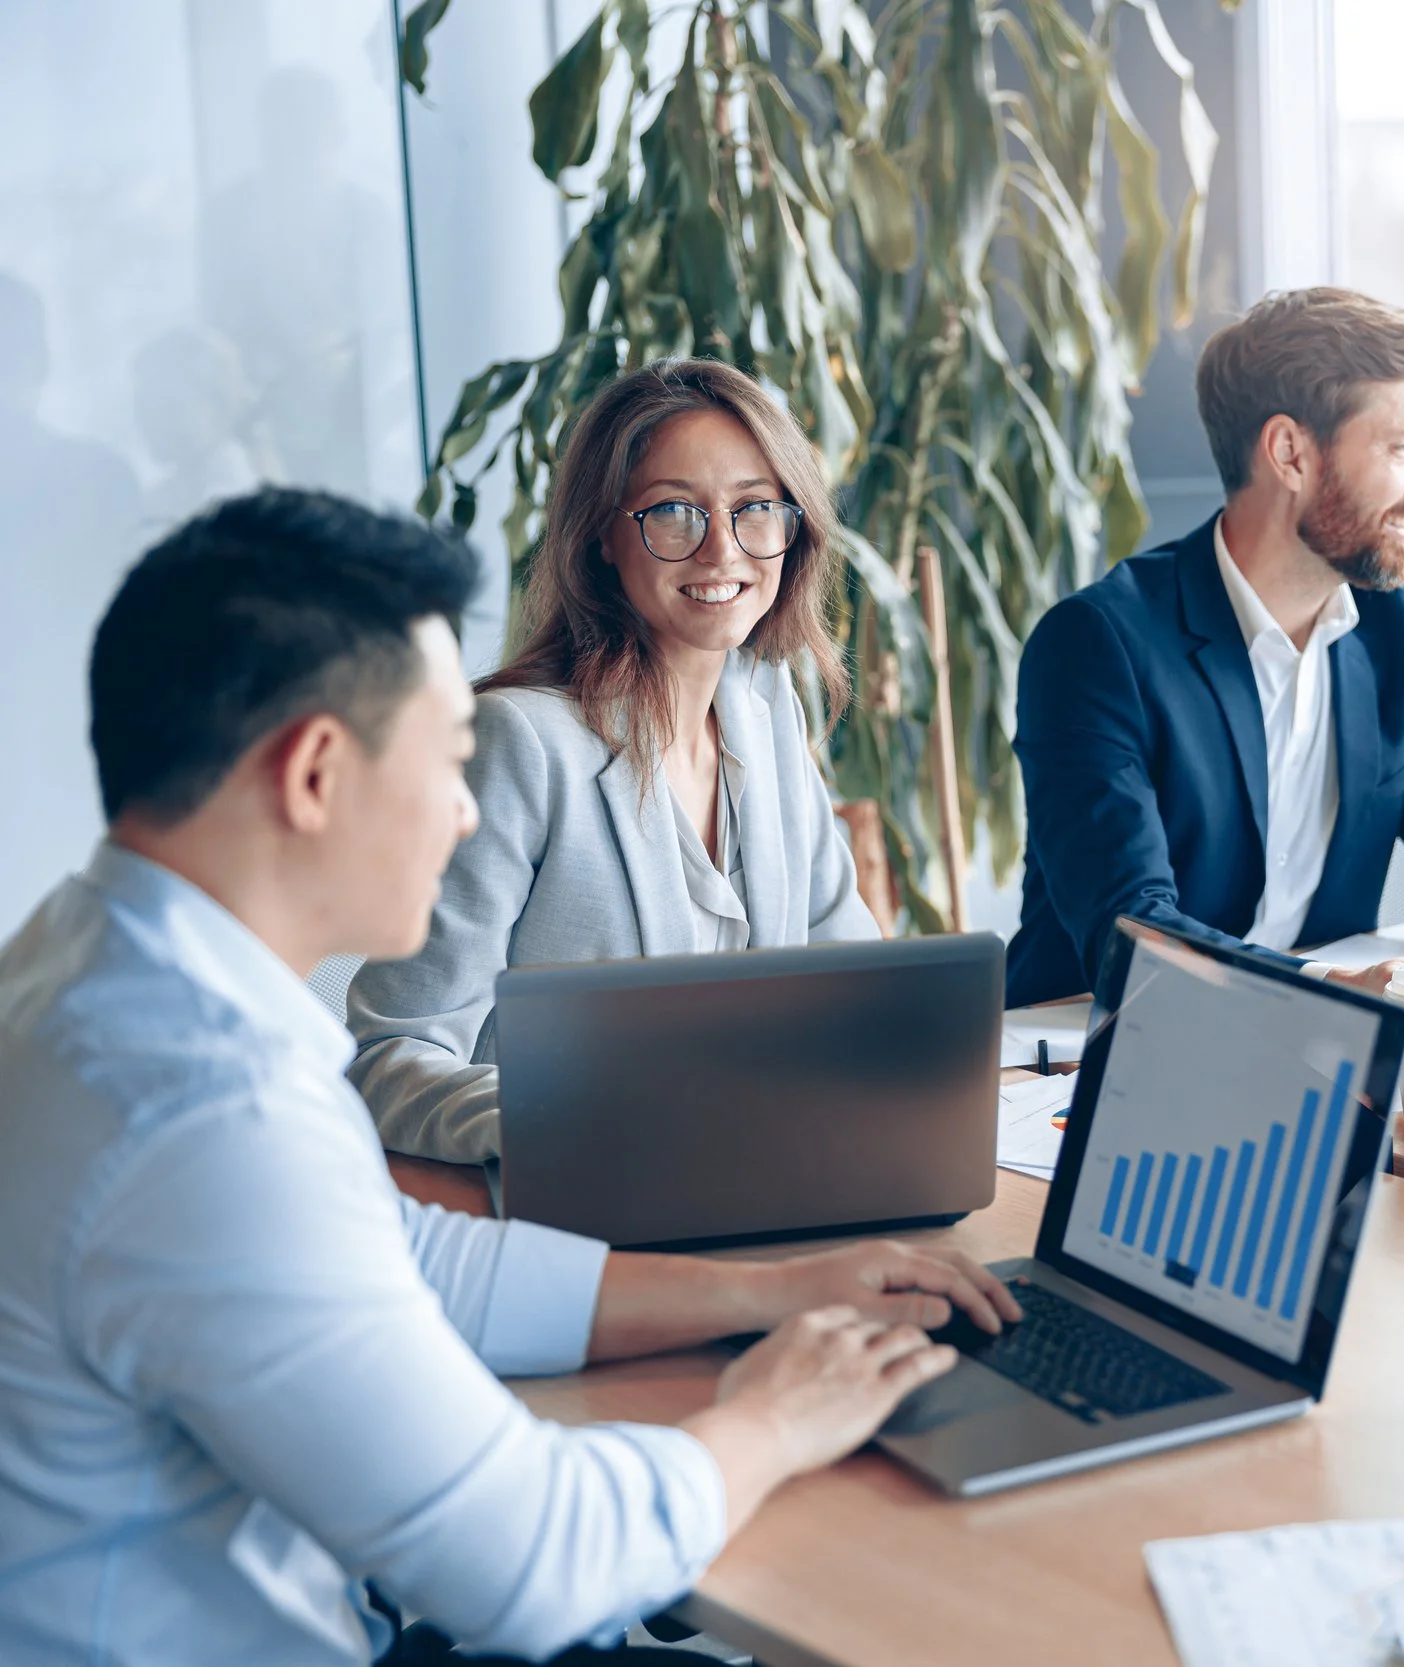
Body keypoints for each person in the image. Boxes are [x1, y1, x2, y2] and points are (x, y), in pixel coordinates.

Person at [0, 488, 1018, 1665]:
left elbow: (416, 1257)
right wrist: (775, 1415)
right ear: (316, 774)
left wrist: (771, 1289)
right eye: (447, 757)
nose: (467, 808)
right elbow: (536, 1564)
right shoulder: (203, 1111)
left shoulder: (86, 959)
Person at [348, 359, 880, 1163]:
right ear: (602, 531)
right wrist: (582, 1123)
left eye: (753, 509)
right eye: (674, 512)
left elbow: (861, 987)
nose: (721, 549)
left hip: (764, 1167)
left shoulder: (765, 708)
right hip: (585, 1206)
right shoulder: (521, 743)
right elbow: (392, 1056)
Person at [1008, 287, 1404, 1006]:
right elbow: (1132, 935)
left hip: (1318, 1050)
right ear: (1290, 453)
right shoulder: (1099, 647)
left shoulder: (1389, 632)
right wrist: (1332, 987)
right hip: (1083, 1059)